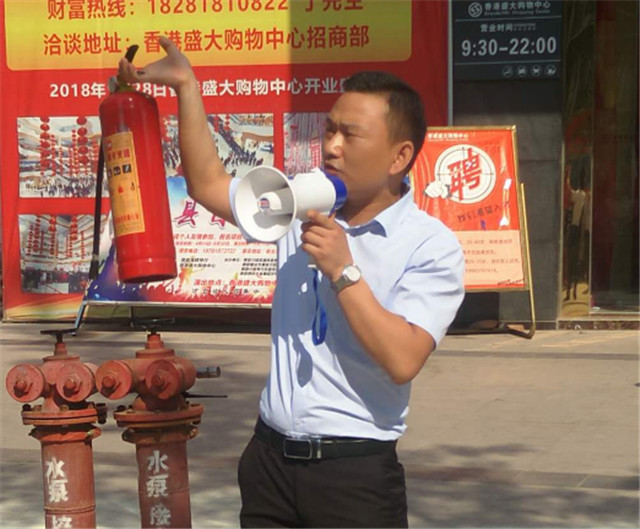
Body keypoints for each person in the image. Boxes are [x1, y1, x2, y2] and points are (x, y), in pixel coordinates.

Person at [119, 36, 465, 528]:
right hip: (269, 463)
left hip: (354, 474)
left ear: (399, 156)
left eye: (351, 135)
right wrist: (186, 87)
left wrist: (344, 272)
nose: (332, 146)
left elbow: (403, 359)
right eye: (329, 129)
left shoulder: (430, 244)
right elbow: (208, 185)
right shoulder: (298, 204)